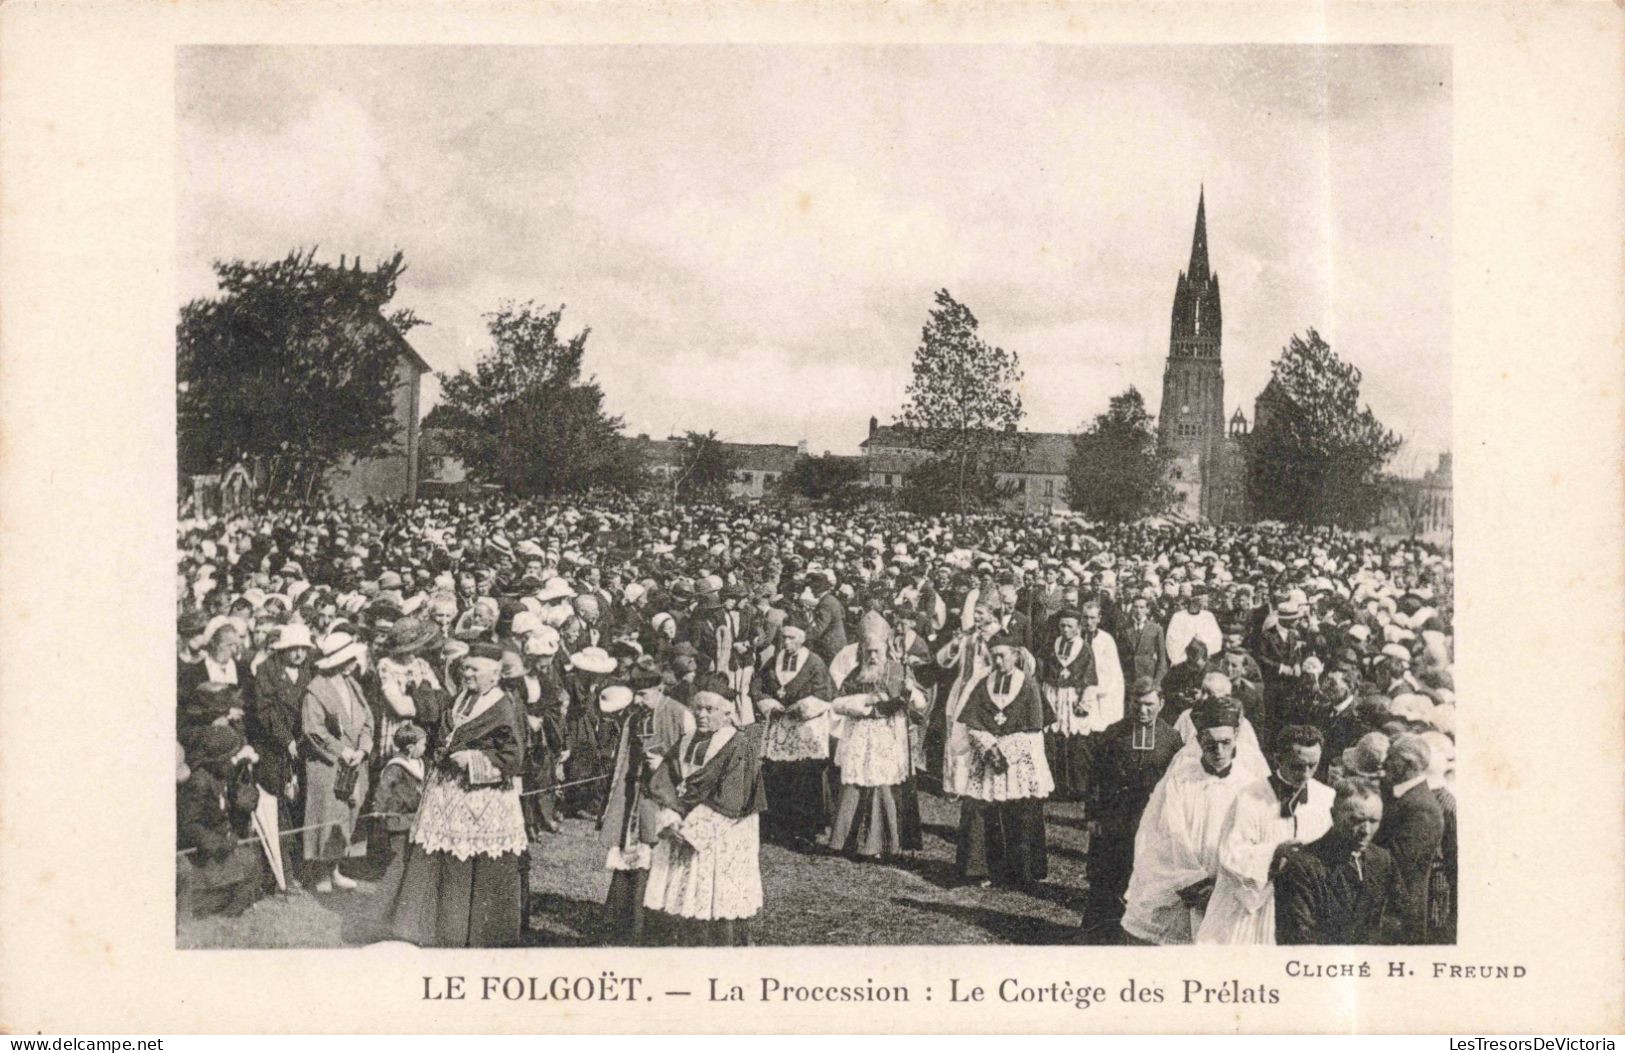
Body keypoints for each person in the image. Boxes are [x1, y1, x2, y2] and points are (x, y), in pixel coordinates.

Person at [378, 642, 529, 947]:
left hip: (481, 800)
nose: (467, 672)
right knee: (436, 857)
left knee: (473, 863)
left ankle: (474, 932)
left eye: (474, 668)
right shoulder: (462, 696)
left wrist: (473, 759)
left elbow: (514, 758)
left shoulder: (505, 705)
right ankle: (431, 927)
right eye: (466, 667)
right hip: (446, 793)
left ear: (495, 674)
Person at [1121, 694, 1249, 944]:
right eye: (1211, 743)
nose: (1219, 751)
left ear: (1235, 737)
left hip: (1230, 890)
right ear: (1199, 740)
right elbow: (1170, 834)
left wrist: (1225, 887)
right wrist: (1196, 884)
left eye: (1225, 742)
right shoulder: (1181, 781)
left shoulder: (1249, 785)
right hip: (1185, 885)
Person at [643, 691, 768, 946]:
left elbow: (732, 799)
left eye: (709, 709)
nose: (701, 714)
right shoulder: (687, 739)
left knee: (720, 891)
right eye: (697, 708)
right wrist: (670, 816)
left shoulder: (738, 745)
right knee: (688, 892)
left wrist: (690, 830)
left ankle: (727, 946)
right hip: (685, 821)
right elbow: (666, 779)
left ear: (727, 713)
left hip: (726, 827)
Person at [1196, 725, 1334, 944]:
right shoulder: (1249, 797)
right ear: (1278, 759)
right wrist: (1275, 853)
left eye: (1312, 765)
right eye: (1297, 766)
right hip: (1254, 904)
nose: (1306, 774)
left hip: (1304, 903)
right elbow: (1231, 853)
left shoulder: (1326, 797)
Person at [598, 669, 694, 943]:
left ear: (660, 688)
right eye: (636, 695)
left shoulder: (681, 715)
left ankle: (651, 928)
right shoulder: (635, 717)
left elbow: (693, 763)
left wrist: (665, 763)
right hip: (638, 797)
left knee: (657, 859)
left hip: (667, 797)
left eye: (644, 694)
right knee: (631, 857)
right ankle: (621, 927)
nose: (638, 701)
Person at [1083, 676, 1180, 936]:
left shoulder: (1172, 739)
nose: (1143, 711)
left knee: (1143, 877)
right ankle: (1099, 933)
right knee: (1106, 877)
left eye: (1149, 704)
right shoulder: (1113, 734)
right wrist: (1092, 815)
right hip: (1113, 818)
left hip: (1151, 821)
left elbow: (1177, 784)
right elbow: (1095, 777)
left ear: (1161, 703)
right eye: (1137, 704)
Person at [954, 642, 1055, 888]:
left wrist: (1004, 752)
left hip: (1018, 761)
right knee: (981, 811)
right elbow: (973, 722)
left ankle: (1021, 872)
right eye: (994, 656)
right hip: (988, 757)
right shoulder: (984, 684)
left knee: (1019, 812)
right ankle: (981, 869)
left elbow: (1033, 729)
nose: (997, 661)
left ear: (1015, 655)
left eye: (1002, 656)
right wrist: (988, 747)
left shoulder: (1029, 686)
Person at [827, 612, 923, 860]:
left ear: (886, 649)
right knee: (854, 784)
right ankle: (844, 842)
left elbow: (919, 704)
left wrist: (911, 694)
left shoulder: (899, 671)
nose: (872, 656)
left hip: (887, 736)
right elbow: (836, 703)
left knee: (882, 784)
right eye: (868, 651)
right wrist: (864, 701)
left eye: (876, 652)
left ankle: (880, 845)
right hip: (860, 735)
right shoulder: (856, 673)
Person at [1275, 779, 1397, 945]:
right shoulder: (1303, 866)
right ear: (1333, 815)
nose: (1366, 831)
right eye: (1356, 820)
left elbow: (1398, 919)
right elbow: (1298, 937)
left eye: (1374, 821)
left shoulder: (1382, 860)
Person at [301, 630, 375, 892]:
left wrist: (364, 749)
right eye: (349, 659)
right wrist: (342, 751)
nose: (354, 663)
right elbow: (313, 730)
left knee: (347, 815)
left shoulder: (353, 684)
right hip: (329, 763)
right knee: (327, 813)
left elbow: (367, 719)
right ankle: (321, 872)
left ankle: (335, 869)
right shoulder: (316, 690)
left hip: (355, 761)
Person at [751, 623, 836, 849]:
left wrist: (803, 706)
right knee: (777, 775)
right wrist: (769, 703)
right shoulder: (774, 661)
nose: (786, 643)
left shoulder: (814, 662)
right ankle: (776, 826)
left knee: (805, 778)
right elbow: (758, 686)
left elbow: (825, 692)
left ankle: (806, 828)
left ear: (801, 639)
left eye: (790, 638)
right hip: (780, 724)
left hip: (804, 727)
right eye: (783, 638)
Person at [249, 622, 313, 887]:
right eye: (292, 648)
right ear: (282, 649)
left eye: (303, 648)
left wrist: (302, 739)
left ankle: (300, 866)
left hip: (302, 745)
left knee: (300, 802)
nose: (298, 654)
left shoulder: (310, 672)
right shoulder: (267, 672)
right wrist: (286, 740)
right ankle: (280, 871)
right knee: (279, 805)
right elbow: (266, 711)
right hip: (273, 748)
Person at [1374, 733, 1443, 944]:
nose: (1385, 762)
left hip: (1399, 914)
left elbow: (1400, 862)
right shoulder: (1404, 797)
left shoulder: (1422, 808)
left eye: (1391, 757)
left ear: (1408, 764)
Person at [1039, 608, 1099, 803]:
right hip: (1053, 696)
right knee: (1053, 740)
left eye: (1069, 626)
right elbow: (1043, 669)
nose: (1065, 629)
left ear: (1078, 628)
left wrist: (1085, 702)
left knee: (1076, 743)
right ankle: (1055, 786)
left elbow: (1090, 679)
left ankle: (1078, 789)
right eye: (1062, 626)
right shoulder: (1052, 645)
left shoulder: (1084, 649)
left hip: (1074, 697)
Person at [370, 722, 428, 868]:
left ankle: (402, 872)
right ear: (410, 748)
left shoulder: (419, 763)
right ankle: (392, 874)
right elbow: (384, 787)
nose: (425, 748)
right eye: (423, 745)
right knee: (398, 848)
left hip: (412, 815)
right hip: (397, 815)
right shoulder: (396, 766)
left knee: (409, 848)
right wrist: (379, 808)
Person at [1116, 594, 1167, 686]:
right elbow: (1119, 655)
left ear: (1147, 609)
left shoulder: (1156, 628)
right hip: (1128, 678)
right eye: (1135, 607)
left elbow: (1162, 658)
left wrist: (1157, 681)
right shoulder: (1124, 628)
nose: (1138, 610)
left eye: (1141, 607)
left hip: (1148, 677)